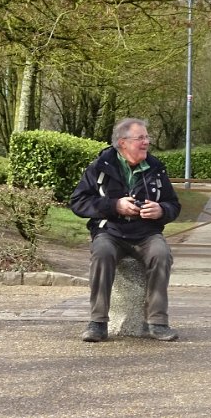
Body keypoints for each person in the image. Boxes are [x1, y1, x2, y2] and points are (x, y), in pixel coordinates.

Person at [70, 118, 181, 342]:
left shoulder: (156, 168)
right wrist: (115, 206)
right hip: (110, 232)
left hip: (146, 233)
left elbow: (174, 205)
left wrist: (161, 210)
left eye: (147, 137)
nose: (146, 142)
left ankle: (157, 323)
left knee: (161, 254)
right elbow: (78, 202)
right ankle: (98, 322)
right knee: (102, 253)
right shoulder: (99, 167)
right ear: (123, 143)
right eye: (140, 138)